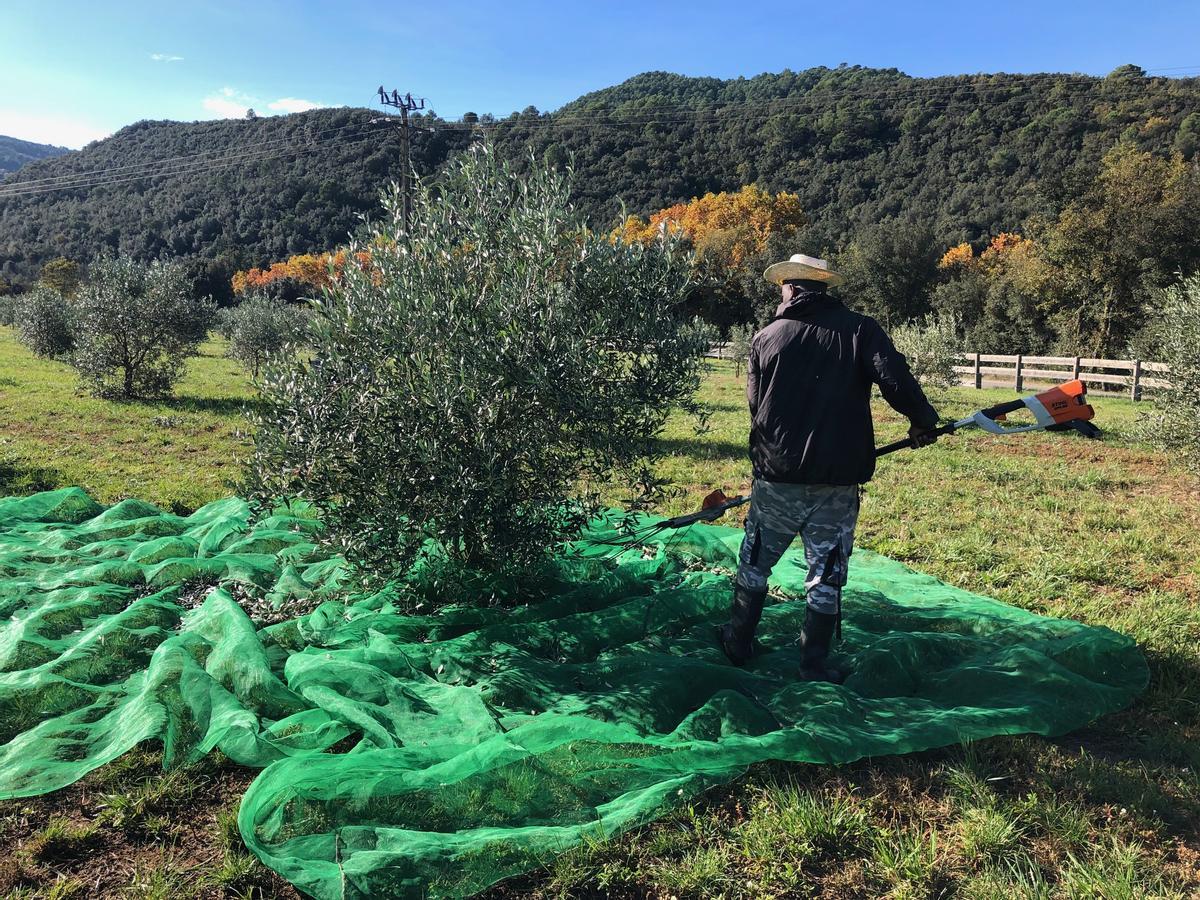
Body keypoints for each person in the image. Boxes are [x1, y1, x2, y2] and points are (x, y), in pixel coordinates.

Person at [717, 253, 940, 683]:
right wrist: (922, 421)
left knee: (756, 561)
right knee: (827, 572)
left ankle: (737, 640)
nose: (781, 291)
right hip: (837, 481)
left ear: (793, 289)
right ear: (822, 287)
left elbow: (754, 405)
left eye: (783, 286)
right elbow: (895, 378)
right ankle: (813, 663)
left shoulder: (767, 338)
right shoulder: (861, 330)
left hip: (777, 476)